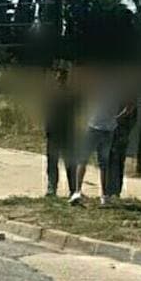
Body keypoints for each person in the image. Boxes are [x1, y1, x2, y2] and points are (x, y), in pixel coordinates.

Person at [83, 75, 137, 206]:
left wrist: (118, 118)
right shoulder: (114, 83)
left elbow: (131, 105)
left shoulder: (122, 85)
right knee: (111, 159)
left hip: (118, 125)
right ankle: (109, 191)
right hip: (110, 123)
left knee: (115, 158)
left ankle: (112, 191)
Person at [43, 66, 79, 199]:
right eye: (57, 77)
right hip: (53, 132)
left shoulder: (71, 95)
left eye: (61, 78)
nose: (59, 80)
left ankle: (73, 189)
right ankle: (51, 188)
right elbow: (48, 114)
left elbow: (76, 111)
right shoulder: (52, 95)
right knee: (52, 161)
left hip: (67, 132)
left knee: (70, 161)